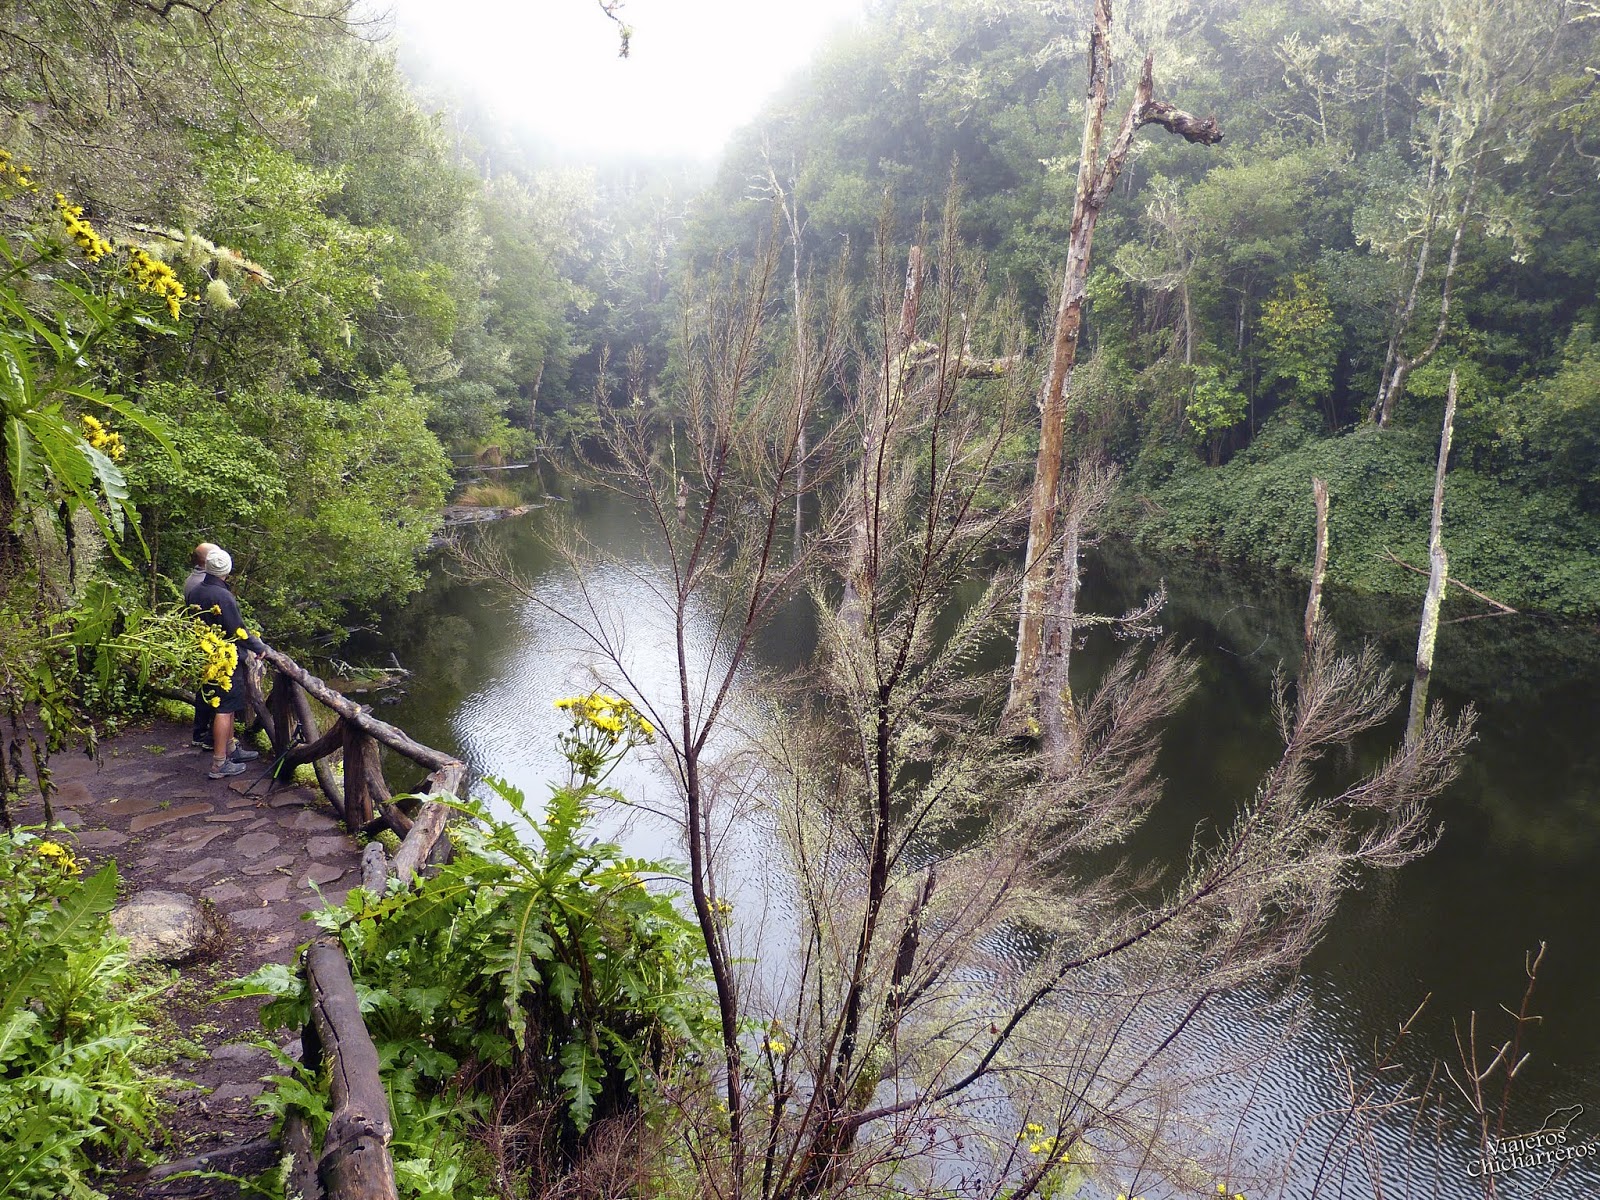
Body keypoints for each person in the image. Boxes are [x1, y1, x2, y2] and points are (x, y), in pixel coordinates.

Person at [189, 546, 268, 780]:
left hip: (206, 656)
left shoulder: (196, 591)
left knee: (228, 705)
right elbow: (237, 629)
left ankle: (231, 748)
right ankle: (219, 763)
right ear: (227, 570)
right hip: (225, 660)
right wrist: (258, 647)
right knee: (225, 708)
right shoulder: (223, 596)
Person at [183, 542, 218, 750]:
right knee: (212, 689)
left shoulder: (193, 579)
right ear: (206, 560)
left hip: (200, 641)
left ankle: (201, 732)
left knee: (205, 688)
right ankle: (209, 737)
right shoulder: (200, 584)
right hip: (207, 643)